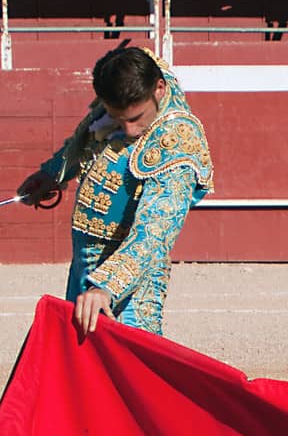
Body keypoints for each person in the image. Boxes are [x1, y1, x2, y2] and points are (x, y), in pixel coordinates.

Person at [15, 47, 214, 338]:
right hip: (84, 265)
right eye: (119, 119)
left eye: (137, 118)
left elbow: (155, 232)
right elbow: (94, 135)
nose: (130, 130)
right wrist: (55, 172)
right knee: (81, 365)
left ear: (159, 89)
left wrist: (107, 286)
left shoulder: (177, 141)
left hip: (133, 282)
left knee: (130, 369)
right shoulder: (128, 81)